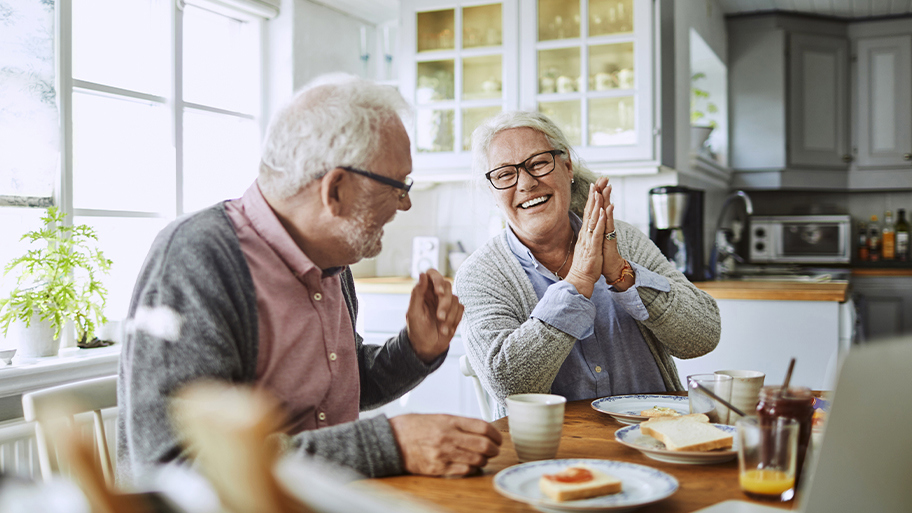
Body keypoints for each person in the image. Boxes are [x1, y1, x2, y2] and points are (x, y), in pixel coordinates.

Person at [116, 74, 501, 485]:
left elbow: (340, 388)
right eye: (397, 186)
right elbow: (176, 466)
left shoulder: (331, 259)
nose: (404, 204)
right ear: (335, 190)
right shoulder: (196, 258)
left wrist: (414, 350)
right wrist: (390, 445)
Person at [453, 111, 721, 418]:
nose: (526, 183)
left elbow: (702, 337)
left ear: (567, 166)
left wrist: (623, 275)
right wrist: (578, 282)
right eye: (504, 174)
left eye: (538, 163)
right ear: (492, 190)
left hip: (656, 433)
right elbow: (509, 385)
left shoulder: (622, 239)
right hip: (554, 447)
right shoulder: (480, 275)